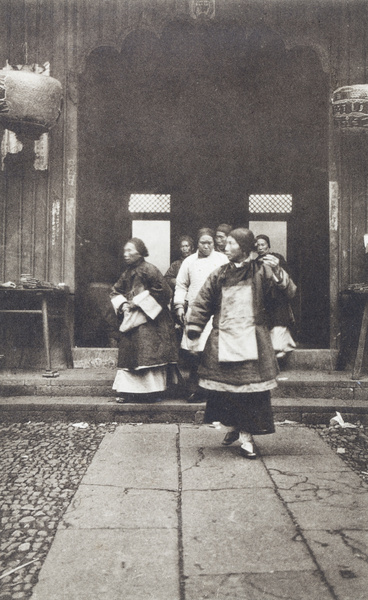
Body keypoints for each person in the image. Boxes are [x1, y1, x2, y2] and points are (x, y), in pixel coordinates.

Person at [186, 228, 296, 458]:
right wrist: (195, 327)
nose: (226, 246)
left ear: (244, 248)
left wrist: (277, 270)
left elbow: (289, 292)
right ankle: (235, 427)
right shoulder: (220, 274)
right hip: (224, 339)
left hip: (253, 342)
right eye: (226, 243)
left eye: (232, 243)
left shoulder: (262, 271)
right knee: (228, 391)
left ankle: (247, 436)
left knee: (251, 393)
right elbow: (203, 300)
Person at [110, 238, 179, 403]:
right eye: (125, 251)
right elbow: (115, 291)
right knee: (129, 350)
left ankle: (152, 391)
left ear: (140, 252)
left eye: (130, 251)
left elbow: (165, 291)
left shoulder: (150, 269)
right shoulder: (126, 273)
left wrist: (139, 302)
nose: (126, 254)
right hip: (133, 318)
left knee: (147, 349)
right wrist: (124, 304)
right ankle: (129, 391)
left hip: (152, 319)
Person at [174, 228, 228, 399]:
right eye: (203, 243)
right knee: (194, 352)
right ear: (197, 244)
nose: (206, 246)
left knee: (212, 351)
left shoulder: (222, 260)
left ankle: (213, 389)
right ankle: (194, 388)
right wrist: (179, 306)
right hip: (195, 311)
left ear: (214, 243)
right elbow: (181, 285)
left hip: (215, 312)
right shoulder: (189, 261)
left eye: (210, 243)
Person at [255, 234, 297, 359]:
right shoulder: (255, 263)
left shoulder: (277, 258)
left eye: (263, 244)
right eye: (257, 245)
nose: (260, 247)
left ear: (268, 245)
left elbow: (286, 277)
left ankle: (281, 349)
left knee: (279, 324)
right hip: (265, 299)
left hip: (278, 298)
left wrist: (276, 269)